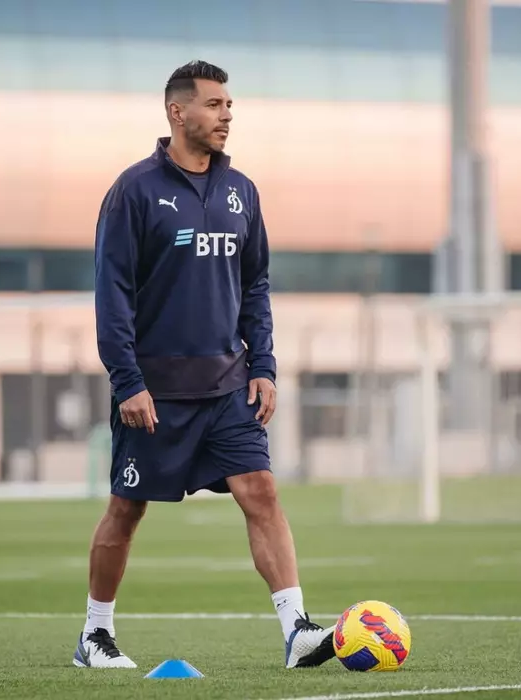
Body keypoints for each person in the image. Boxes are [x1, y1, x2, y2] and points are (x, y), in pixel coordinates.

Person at [74, 60, 335, 670]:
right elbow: (112, 293)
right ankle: (94, 635)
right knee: (126, 509)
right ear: (177, 111)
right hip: (154, 392)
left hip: (227, 385)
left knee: (261, 491)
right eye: (214, 105)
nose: (226, 115)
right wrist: (127, 381)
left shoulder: (242, 190)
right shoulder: (134, 191)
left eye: (229, 105)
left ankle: (297, 631)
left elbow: (255, 284)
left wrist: (263, 365)